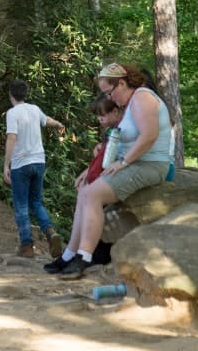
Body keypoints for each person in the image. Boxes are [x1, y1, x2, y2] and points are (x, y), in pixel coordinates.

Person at [56, 62, 173, 279]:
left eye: (109, 92)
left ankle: (84, 257)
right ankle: (68, 254)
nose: (109, 98)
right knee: (85, 190)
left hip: (150, 164)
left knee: (93, 194)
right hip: (133, 162)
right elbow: (122, 140)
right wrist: (91, 167)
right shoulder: (130, 103)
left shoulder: (142, 98)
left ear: (121, 83)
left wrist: (124, 162)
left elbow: (149, 136)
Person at [43, 94, 123, 273]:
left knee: (88, 193)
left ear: (115, 111)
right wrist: (88, 171)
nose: (99, 119)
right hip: (107, 173)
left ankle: (82, 254)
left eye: (102, 115)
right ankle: (70, 253)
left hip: (117, 174)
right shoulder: (112, 131)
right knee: (83, 191)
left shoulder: (121, 129)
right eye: (98, 116)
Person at [2, 79, 66, 258]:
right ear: (25, 93)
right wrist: (59, 124)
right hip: (39, 161)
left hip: (21, 165)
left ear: (11, 94)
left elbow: (12, 138)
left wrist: (6, 164)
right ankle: (50, 232)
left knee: (21, 205)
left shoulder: (12, 113)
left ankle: (27, 245)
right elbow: (47, 121)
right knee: (36, 202)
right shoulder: (34, 109)